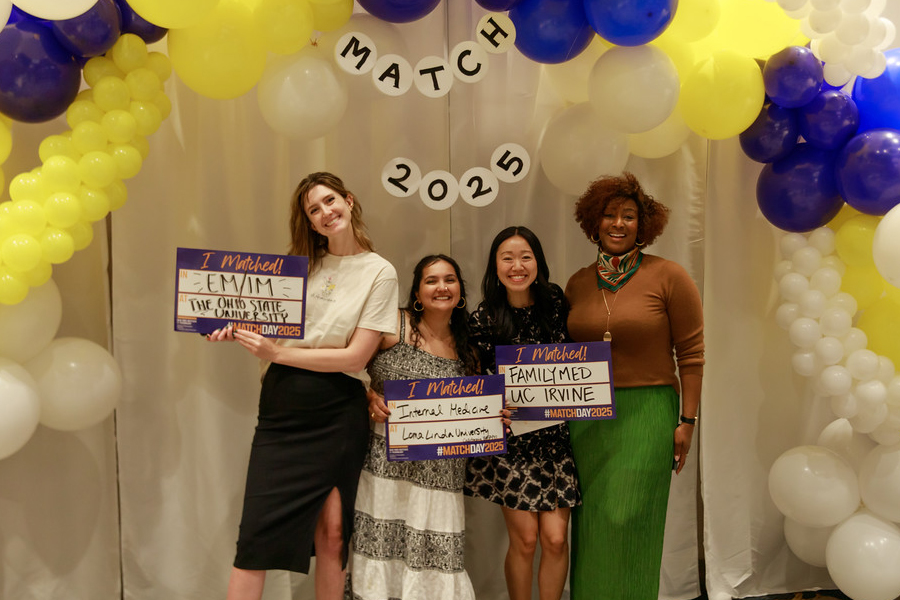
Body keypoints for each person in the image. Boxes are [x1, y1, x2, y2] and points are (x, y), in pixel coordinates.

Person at [208, 172, 399, 600]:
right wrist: (225, 326)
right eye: (314, 210)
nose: (325, 213)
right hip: (283, 406)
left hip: (339, 410)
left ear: (349, 201)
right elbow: (259, 326)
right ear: (310, 223)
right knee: (255, 539)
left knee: (332, 535)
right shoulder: (293, 271)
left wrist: (276, 353)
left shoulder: (380, 271)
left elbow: (355, 357)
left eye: (330, 201)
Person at [564, 172, 704, 600]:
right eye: (609, 215)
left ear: (644, 224)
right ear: (594, 222)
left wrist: (687, 421)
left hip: (648, 411)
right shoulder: (578, 283)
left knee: (630, 517)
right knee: (592, 521)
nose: (619, 224)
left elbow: (692, 354)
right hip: (586, 418)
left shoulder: (670, 276)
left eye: (629, 216)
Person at [347, 254, 479, 600]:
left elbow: (474, 411)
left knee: (435, 554)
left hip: (441, 472)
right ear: (417, 293)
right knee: (382, 549)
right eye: (431, 280)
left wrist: (493, 418)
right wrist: (369, 395)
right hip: (386, 464)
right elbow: (350, 367)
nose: (441, 287)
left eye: (449, 280)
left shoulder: (470, 348)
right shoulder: (394, 326)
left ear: (460, 291)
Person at [464, 226, 580, 600]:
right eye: (507, 258)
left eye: (525, 256)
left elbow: (579, 364)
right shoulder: (483, 319)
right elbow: (471, 381)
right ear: (495, 266)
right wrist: (489, 407)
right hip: (511, 446)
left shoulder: (558, 304)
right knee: (527, 540)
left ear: (538, 262)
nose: (517, 266)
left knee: (556, 539)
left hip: (557, 441)